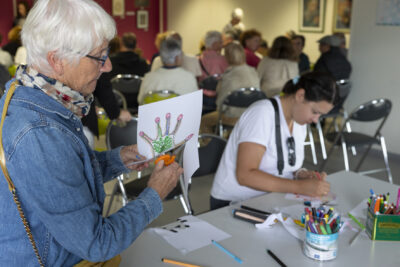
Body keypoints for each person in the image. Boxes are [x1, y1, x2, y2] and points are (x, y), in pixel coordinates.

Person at [0, 0, 182, 265]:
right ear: (57, 60)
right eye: (99, 56)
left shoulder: (26, 92)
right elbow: (97, 244)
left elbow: (64, 172)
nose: (107, 66)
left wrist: (119, 159)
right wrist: (154, 194)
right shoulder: (40, 132)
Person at [210, 72, 338, 210]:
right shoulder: (261, 114)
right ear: (300, 95)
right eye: (315, 111)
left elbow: (280, 166)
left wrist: (300, 175)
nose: (315, 120)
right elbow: (245, 175)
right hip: (233, 203)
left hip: (269, 198)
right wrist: (300, 187)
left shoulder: (299, 120)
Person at [200, 41, 260, 134]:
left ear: (227, 57)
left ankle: (212, 146)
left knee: (204, 121)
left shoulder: (228, 76)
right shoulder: (254, 72)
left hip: (233, 117)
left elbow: (220, 104)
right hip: (252, 115)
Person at [137, 37, 198, 104]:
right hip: (180, 114)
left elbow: (140, 100)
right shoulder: (189, 77)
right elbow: (194, 103)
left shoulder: (148, 78)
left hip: (155, 114)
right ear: (177, 57)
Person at [198, 30, 228, 112]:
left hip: (201, 96)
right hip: (217, 96)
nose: (222, 45)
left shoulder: (199, 58)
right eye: (221, 42)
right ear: (215, 44)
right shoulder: (223, 59)